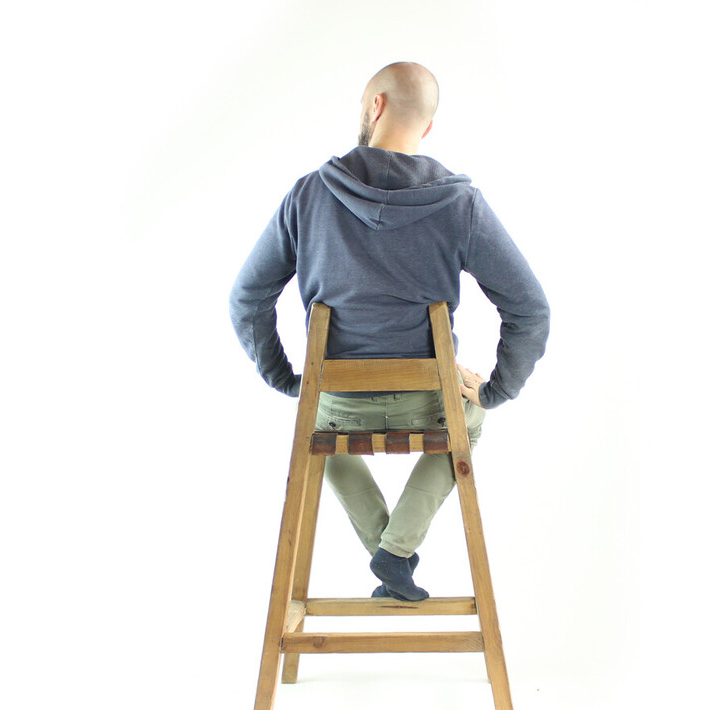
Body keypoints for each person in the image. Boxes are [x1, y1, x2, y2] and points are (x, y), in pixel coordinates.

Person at [229, 62, 549, 601]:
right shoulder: (461, 204)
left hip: (337, 403)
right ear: (426, 128)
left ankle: (389, 549)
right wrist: (495, 390)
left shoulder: (308, 196)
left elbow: (246, 298)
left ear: (375, 105)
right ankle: (395, 551)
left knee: (316, 427)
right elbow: (531, 309)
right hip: (430, 402)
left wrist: (290, 382)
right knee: (470, 415)